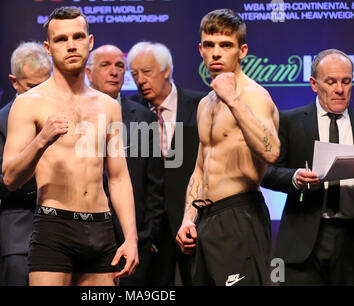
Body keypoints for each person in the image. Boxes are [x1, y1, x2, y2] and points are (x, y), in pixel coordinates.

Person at [2, 7, 138, 286]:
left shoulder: (108, 107)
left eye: (78, 36)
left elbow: (119, 177)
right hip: (55, 228)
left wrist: (131, 237)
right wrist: (41, 141)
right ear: (48, 48)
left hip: (101, 228)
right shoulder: (29, 103)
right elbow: (10, 177)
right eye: (61, 39)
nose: (71, 45)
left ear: (89, 42)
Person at [176, 8, 280, 286]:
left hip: (240, 216)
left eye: (226, 45)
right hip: (205, 221)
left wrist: (233, 101)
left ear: (242, 51)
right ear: (200, 49)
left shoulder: (254, 96)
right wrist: (188, 218)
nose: (216, 53)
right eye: (209, 45)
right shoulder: (204, 104)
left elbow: (271, 151)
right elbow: (200, 169)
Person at [262, 49, 354, 285]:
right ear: (314, 84)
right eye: (331, 82)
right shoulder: (289, 120)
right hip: (303, 240)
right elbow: (266, 173)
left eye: (346, 81)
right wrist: (295, 178)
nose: (340, 89)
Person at [86, 44, 164, 286]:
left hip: (133, 242)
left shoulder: (144, 118)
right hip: (85, 238)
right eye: (105, 65)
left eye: (120, 65)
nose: (114, 72)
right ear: (89, 73)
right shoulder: (73, 113)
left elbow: (155, 186)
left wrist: (146, 236)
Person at [127, 41, 205, 285]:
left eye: (147, 72)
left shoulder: (200, 106)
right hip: (151, 230)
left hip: (193, 223)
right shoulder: (132, 113)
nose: (140, 80)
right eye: (135, 74)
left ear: (166, 70)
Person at [0, 41, 52, 286]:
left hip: (68, 233)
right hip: (22, 236)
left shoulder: (66, 114)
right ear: (14, 81)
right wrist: (42, 173)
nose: (40, 92)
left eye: (46, 83)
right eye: (32, 86)